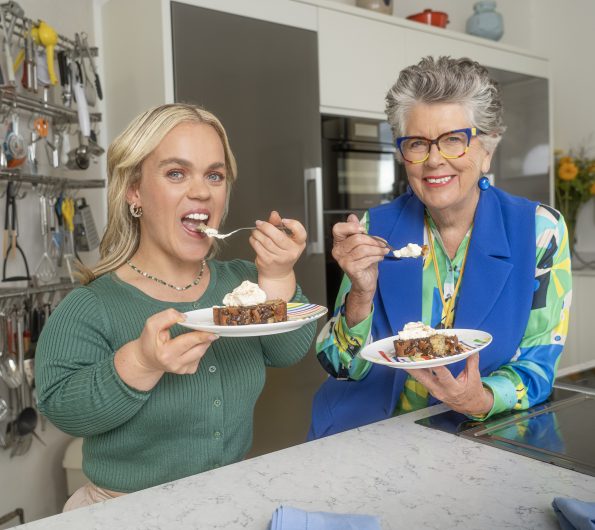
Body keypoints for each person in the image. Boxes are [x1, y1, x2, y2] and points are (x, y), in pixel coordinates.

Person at [35, 103, 316, 509]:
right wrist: (140, 364)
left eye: (214, 175)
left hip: (226, 502)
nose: (202, 190)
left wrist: (277, 276)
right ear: (135, 191)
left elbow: (286, 351)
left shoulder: (242, 282)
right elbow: (64, 410)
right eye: (176, 173)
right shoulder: (92, 305)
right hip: (125, 513)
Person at [308, 56, 572, 439]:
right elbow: (338, 365)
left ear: (486, 150)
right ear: (403, 155)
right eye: (417, 143)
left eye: (453, 140)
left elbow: (538, 363)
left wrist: (482, 398)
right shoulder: (372, 229)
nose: (434, 160)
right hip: (363, 436)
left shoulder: (539, 231)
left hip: (476, 441)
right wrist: (360, 296)